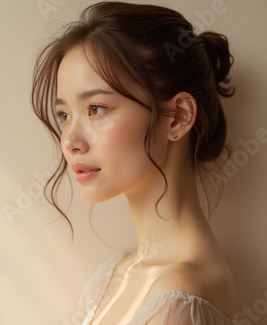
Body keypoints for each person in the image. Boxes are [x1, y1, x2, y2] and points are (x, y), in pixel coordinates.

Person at [31, 1, 236, 324]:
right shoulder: (114, 274)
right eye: (64, 115)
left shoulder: (179, 295)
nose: (70, 141)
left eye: (96, 108)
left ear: (178, 118)